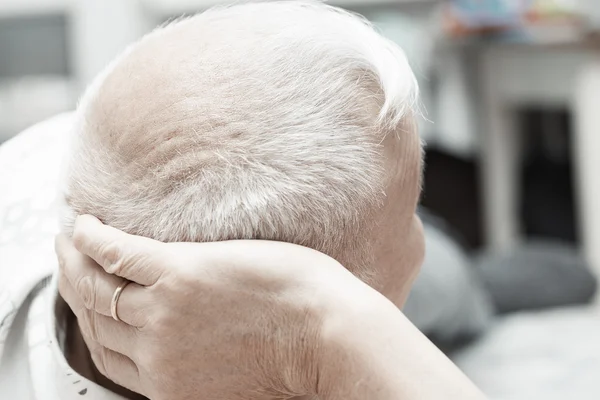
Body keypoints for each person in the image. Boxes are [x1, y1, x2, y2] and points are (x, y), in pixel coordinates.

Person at [0, 1, 484, 399]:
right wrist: (328, 326)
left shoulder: (57, 152)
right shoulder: (335, 307)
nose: (414, 238)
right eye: (409, 218)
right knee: (470, 284)